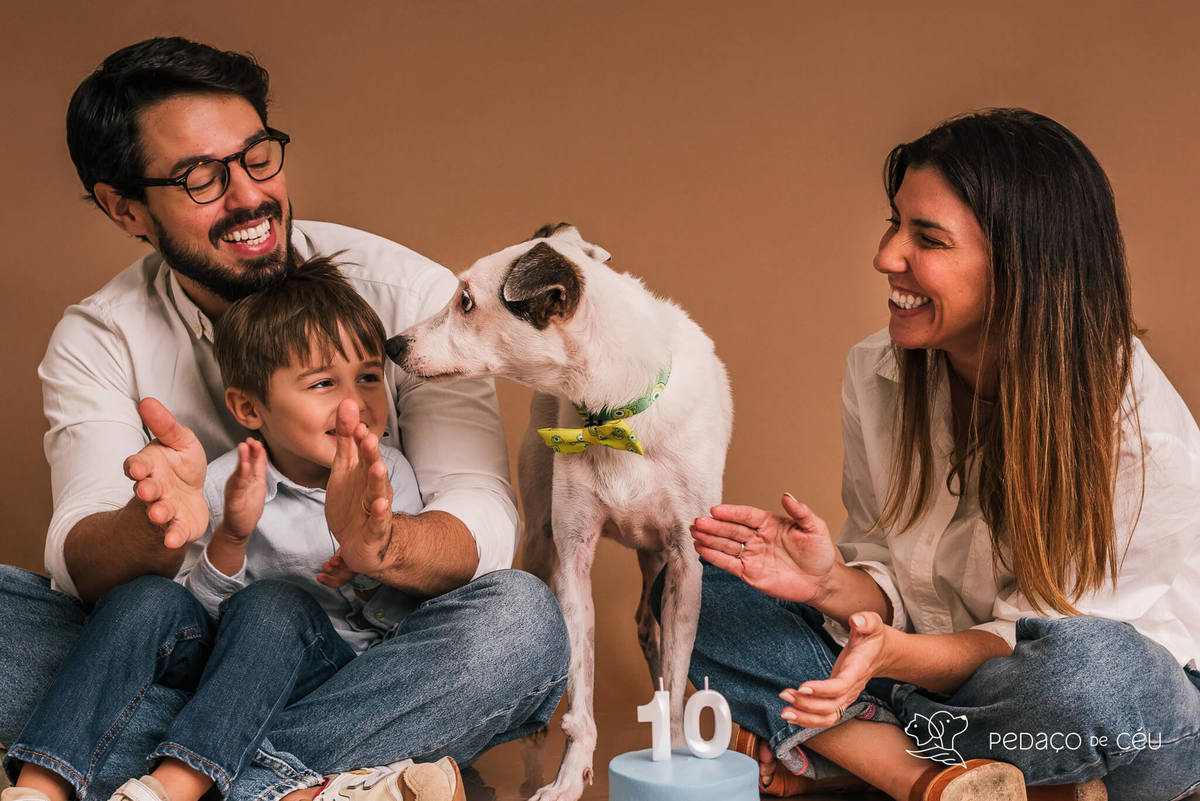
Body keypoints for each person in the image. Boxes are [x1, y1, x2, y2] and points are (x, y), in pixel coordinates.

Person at [0, 36, 567, 801]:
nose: (248, 197)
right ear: (125, 207)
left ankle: (185, 779)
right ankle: (343, 780)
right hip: (187, 650)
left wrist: (383, 542)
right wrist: (154, 524)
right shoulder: (100, 337)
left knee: (521, 623)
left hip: (369, 661)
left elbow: (484, 520)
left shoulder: (409, 295)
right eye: (200, 176)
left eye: (257, 155)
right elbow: (82, 560)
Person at [685, 109, 1200, 801]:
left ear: (1023, 266)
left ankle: (854, 747)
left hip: (1111, 714)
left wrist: (891, 661)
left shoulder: (1136, 428)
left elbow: (1044, 646)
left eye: (926, 238)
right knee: (690, 581)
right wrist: (829, 584)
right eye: (894, 223)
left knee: (1091, 672)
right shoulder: (877, 371)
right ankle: (932, 780)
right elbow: (896, 586)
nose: (886, 255)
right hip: (933, 680)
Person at [3, 256, 473, 801]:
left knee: (275, 604)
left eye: (369, 377)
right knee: (145, 597)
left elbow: (397, 623)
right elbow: (193, 616)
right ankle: (40, 786)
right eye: (323, 383)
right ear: (249, 406)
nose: (355, 403)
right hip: (222, 674)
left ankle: (173, 786)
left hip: (327, 677)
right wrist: (230, 540)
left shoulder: (385, 475)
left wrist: (366, 562)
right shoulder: (230, 480)